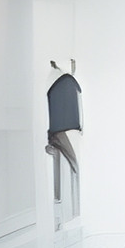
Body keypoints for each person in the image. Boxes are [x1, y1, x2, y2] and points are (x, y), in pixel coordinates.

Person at [46, 63, 82, 220]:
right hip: (62, 127)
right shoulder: (65, 81)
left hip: (61, 128)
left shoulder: (63, 81)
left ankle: (72, 212)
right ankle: (72, 212)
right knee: (73, 167)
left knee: (73, 167)